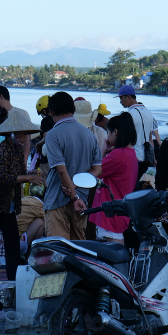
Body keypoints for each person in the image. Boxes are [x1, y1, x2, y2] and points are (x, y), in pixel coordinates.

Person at [0, 108, 40, 282]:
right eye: (22, 135)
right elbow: (2, 178)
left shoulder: (16, 150)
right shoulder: (1, 149)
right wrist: (28, 177)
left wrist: (31, 172)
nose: (24, 139)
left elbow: (18, 173)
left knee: (12, 242)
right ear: (14, 134)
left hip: (8, 204)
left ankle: (13, 278)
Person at [41, 91, 100, 241]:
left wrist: (73, 196)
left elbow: (61, 170)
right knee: (78, 248)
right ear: (73, 108)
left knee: (58, 249)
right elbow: (98, 168)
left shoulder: (53, 135)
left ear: (52, 112)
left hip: (58, 199)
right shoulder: (89, 135)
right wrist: (77, 184)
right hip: (82, 199)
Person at [92, 113, 142, 243]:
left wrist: (103, 152)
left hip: (111, 212)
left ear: (115, 132)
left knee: (113, 251)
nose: (107, 137)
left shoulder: (118, 155)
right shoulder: (130, 153)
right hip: (120, 209)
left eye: (107, 133)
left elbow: (96, 172)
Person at [117, 84, 159, 179]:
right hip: (146, 159)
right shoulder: (148, 112)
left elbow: (124, 138)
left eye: (121, 98)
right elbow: (150, 138)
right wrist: (153, 157)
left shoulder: (129, 114)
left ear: (128, 97)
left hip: (133, 157)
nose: (120, 102)